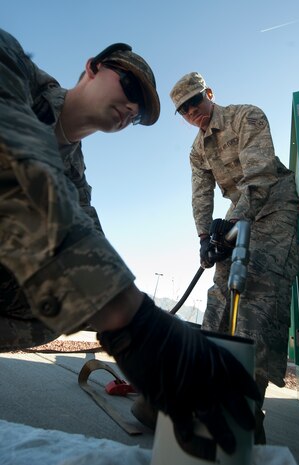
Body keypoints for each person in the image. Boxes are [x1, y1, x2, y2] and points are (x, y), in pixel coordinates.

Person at [0, 29, 260, 457]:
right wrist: (133, 322)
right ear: (93, 66)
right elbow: (12, 164)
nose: (133, 107)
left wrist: (153, 339)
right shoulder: (11, 63)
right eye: (131, 86)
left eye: (141, 112)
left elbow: (97, 259)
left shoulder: (75, 183)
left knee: (71, 295)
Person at [170, 71, 299, 444]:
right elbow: (201, 195)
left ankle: (247, 416)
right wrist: (204, 238)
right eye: (183, 110)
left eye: (195, 101)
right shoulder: (197, 150)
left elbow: (260, 179)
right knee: (220, 298)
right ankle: (208, 402)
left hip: (274, 210)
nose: (192, 112)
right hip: (236, 219)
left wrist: (227, 228)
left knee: (257, 301)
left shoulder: (248, 116)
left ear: (209, 94)